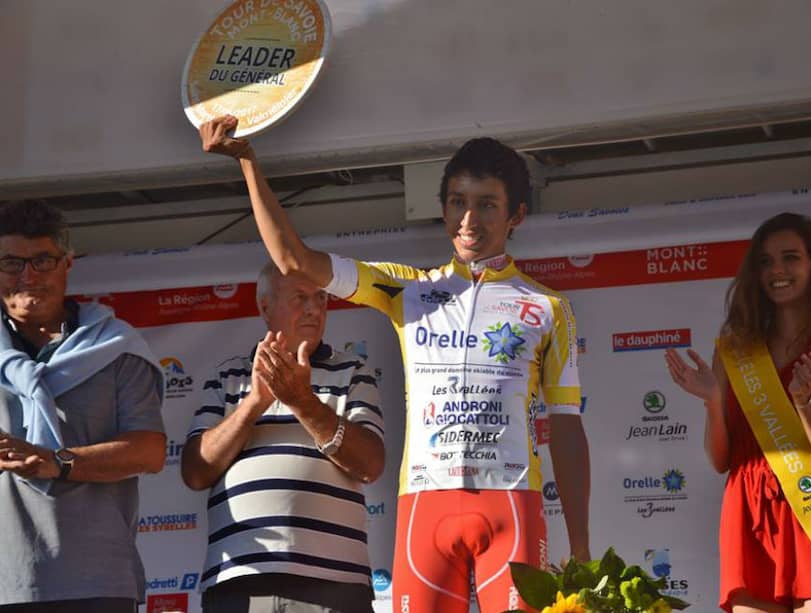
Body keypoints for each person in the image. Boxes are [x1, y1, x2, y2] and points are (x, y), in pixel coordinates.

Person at [197, 115, 591, 613]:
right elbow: (294, 260)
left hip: (512, 506)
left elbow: (568, 429)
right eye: (457, 203)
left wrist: (580, 546)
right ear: (443, 208)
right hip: (426, 510)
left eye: (487, 205)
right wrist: (249, 162)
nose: (469, 220)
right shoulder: (409, 290)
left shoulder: (548, 308)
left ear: (517, 215)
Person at [665, 212, 811, 613]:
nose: (777, 269)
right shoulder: (735, 352)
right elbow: (721, 460)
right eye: (765, 261)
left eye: (791, 257)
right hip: (749, 512)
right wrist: (712, 403)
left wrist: (805, 402)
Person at [181, 261, 386, 613]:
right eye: (300, 298)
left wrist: (302, 401)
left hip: (335, 583)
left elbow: (370, 463)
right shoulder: (229, 376)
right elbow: (196, 471)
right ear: (265, 307)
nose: (314, 309)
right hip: (240, 581)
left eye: (321, 298)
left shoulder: (353, 370)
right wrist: (256, 401)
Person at [0, 201, 166, 613]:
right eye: (10, 263)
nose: (27, 276)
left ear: (67, 263)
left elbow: (149, 451)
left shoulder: (115, 347)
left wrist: (57, 461)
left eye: (42, 260)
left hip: (94, 580)